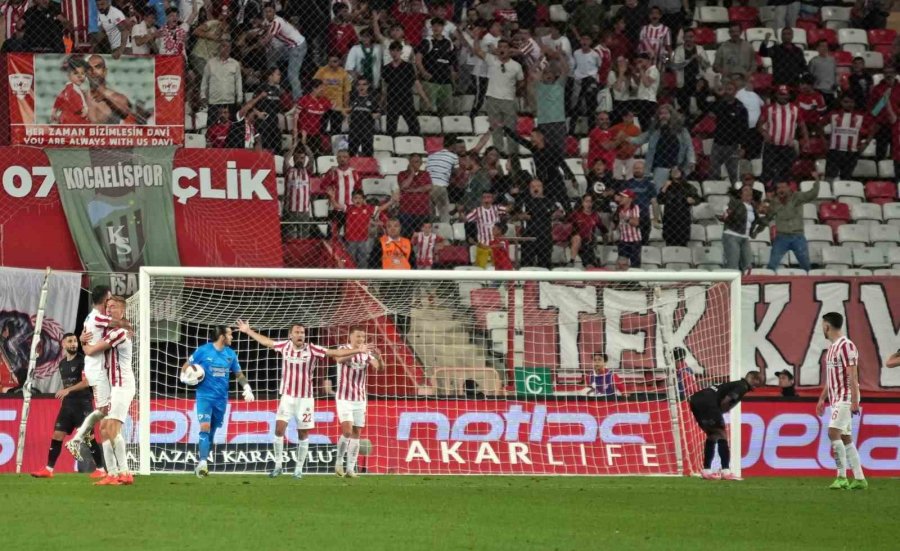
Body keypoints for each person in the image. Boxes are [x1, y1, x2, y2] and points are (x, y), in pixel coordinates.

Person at [235, 320, 369, 478]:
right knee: (279, 429)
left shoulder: (312, 349)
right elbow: (266, 342)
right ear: (290, 335)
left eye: (302, 333)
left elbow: (335, 353)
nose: (300, 335)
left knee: (303, 433)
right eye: (297, 332)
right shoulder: (284, 346)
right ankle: (278, 465)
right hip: (287, 397)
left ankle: (298, 469)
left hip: (305, 399)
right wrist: (248, 331)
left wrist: (356, 351)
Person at [180, 325, 255, 477]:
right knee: (205, 427)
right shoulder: (203, 350)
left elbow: (239, 374)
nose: (232, 337)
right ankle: (202, 463)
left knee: (212, 431)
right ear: (222, 336)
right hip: (204, 396)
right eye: (230, 334)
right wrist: (184, 377)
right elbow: (186, 366)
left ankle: (204, 460)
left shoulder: (231, 354)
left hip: (221, 399)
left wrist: (247, 387)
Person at [31, 333, 106, 479]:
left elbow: (86, 382)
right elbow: (67, 384)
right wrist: (66, 395)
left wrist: (68, 390)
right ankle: (49, 469)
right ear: (63, 344)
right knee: (57, 435)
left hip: (82, 404)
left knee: (88, 437)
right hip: (68, 405)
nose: (73, 344)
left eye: (75, 341)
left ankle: (101, 469)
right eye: (70, 341)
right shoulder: (62, 364)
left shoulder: (83, 360)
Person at [80, 296, 133, 486]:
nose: (108, 310)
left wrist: (84, 344)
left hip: (122, 384)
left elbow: (91, 351)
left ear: (122, 311)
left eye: (113, 307)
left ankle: (124, 472)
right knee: (103, 428)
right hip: (113, 385)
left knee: (110, 428)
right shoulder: (113, 331)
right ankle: (111, 473)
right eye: (107, 307)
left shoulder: (118, 333)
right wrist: (81, 337)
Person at [66, 286, 123, 460]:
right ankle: (76, 439)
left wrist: (82, 341)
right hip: (96, 369)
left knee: (105, 411)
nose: (111, 303)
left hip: (97, 367)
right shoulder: (98, 317)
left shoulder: (92, 317)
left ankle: (77, 439)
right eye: (110, 299)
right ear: (105, 299)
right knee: (103, 410)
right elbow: (118, 323)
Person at [816, 312, 867, 490]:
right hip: (836, 397)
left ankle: (842, 476)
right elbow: (832, 378)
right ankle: (860, 479)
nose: (822, 328)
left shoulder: (847, 346)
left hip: (846, 397)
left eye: (823, 325)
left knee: (833, 432)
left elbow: (852, 374)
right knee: (846, 437)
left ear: (827, 326)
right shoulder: (832, 348)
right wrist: (822, 399)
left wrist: (854, 401)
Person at [689, 370, 763, 480]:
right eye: (759, 380)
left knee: (712, 435)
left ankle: (706, 470)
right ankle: (725, 471)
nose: (760, 383)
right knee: (722, 434)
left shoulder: (735, 384)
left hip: (695, 400)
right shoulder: (742, 386)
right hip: (708, 402)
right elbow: (726, 401)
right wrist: (719, 412)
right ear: (752, 378)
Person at [333, 326, 383, 477]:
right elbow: (339, 358)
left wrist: (379, 357)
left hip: (360, 399)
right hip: (344, 398)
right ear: (350, 337)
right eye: (358, 336)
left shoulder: (366, 354)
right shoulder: (343, 348)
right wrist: (358, 351)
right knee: (347, 431)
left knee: (356, 433)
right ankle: (339, 463)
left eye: (363, 337)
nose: (361, 339)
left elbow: (379, 368)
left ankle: (350, 469)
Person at [758, 173, 821, 272]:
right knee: (772, 264)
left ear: (788, 187)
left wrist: (817, 180)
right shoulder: (774, 202)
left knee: (806, 265)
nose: (781, 190)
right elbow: (768, 217)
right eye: (779, 188)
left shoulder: (797, 197)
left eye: (783, 187)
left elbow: (813, 194)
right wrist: (757, 229)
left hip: (798, 236)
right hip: (781, 237)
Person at [471, 38, 524, 157]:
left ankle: (513, 155)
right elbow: (477, 50)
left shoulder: (516, 66)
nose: (502, 49)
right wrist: (476, 37)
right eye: (500, 47)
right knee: (495, 129)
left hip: (509, 100)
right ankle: (499, 152)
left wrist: (513, 91)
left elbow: (521, 82)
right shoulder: (491, 59)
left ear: (509, 50)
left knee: (511, 129)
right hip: (492, 98)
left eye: (505, 47)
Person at [503, 126, 575, 208]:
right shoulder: (534, 148)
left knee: (565, 202)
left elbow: (562, 164)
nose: (531, 139)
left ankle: (570, 216)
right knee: (544, 205)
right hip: (542, 183)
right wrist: (505, 128)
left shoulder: (552, 149)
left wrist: (572, 178)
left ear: (540, 136)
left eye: (532, 136)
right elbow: (519, 139)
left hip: (555, 182)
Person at [629, 104, 694, 191]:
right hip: (660, 167)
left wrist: (691, 160)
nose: (663, 116)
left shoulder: (681, 130)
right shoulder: (654, 130)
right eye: (661, 114)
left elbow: (689, 146)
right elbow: (639, 140)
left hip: (677, 167)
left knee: (677, 192)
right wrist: (625, 138)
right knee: (658, 192)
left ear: (671, 115)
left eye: (666, 113)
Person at [758, 85, 809, 190]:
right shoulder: (769, 109)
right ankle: (768, 193)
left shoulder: (795, 109)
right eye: (780, 94)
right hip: (771, 147)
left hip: (787, 147)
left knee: (787, 172)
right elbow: (759, 125)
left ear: (789, 96)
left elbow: (802, 125)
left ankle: (784, 194)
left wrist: (806, 140)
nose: (782, 97)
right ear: (776, 95)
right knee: (768, 171)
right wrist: (764, 133)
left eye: (785, 95)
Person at [381, 40, 429, 136]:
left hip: (406, 99)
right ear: (390, 52)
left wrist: (425, 98)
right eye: (393, 50)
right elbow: (385, 86)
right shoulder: (386, 68)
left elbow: (416, 82)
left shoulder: (408, 67)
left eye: (397, 50)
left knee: (414, 127)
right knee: (391, 128)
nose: (395, 53)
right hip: (392, 100)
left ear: (401, 52)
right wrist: (382, 101)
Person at [261, 3, 306, 101]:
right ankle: (274, 79)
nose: (268, 14)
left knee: (292, 74)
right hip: (289, 47)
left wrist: (260, 43)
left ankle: (298, 100)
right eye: (266, 12)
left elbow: (267, 38)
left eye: (270, 11)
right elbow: (264, 28)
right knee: (271, 57)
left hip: (297, 46)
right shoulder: (268, 21)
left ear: (274, 12)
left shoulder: (277, 21)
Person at [515, 179, 564, 268]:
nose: (535, 188)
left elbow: (561, 212)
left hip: (545, 236)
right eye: (533, 187)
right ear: (529, 189)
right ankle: (528, 281)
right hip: (529, 237)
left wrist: (557, 214)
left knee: (544, 265)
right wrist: (521, 216)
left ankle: (544, 281)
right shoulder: (524, 201)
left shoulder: (550, 201)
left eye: (538, 186)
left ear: (542, 188)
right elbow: (514, 215)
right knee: (527, 265)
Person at [708, 80, 748, 184]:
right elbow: (710, 111)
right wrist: (717, 96)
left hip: (733, 145)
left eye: (730, 89)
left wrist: (743, 146)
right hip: (718, 143)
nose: (727, 92)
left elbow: (744, 128)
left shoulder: (740, 108)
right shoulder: (720, 104)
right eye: (726, 89)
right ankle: (714, 192)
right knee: (713, 171)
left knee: (733, 174)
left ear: (735, 92)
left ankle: (735, 193)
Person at [415, 18, 455, 116]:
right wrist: (423, 72)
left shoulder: (448, 43)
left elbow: (451, 61)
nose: (436, 28)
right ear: (431, 27)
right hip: (431, 80)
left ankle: (443, 130)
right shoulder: (427, 41)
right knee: (428, 109)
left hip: (445, 80)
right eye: (434, 26)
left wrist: (453, 76)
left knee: (446, 110)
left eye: (439, 25)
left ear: (443, 27)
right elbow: (417, 59)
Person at [825, 95, 870, 181]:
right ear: (841, 103)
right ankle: (827, 192)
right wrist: (824, 141)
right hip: (834, 151)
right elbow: (819, 125)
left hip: (852, 152)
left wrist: (866, 143)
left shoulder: (861, 116)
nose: (849, 104)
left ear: (854, 103)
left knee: (846, 178)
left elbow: (874, 127)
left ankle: (843, 193)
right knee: (829, 177)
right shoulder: (833, 114)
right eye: (846, 102)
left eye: (851, 102)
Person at [344, 189, 391, 269]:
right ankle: (351, 277)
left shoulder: (369, 209)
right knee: (350, 259)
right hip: (351, 239)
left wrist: (392, 201)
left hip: (364, 239)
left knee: (363, 259)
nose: (358, 200)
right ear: (352, 200)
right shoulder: (349, 208)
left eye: (360, 198)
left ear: (363, 200)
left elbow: (381, 211)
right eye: (355, 198)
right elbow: (338, 206)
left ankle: (363, 277)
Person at [86, 54, 136, 124]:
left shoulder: (118, 98)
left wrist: (106, 99)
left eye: (97, 67)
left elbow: (126, 115)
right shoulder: (79, 96)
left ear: (105, 71)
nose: (93, 71)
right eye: (89, 68)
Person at [670, 29, 711, 115]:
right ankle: (687, 114)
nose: (689, 39)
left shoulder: (700, 49)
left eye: (691, 37)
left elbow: (706, 66)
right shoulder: (679, 50)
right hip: (683, 80)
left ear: (694, 37)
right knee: (682, 95)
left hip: (698, 79)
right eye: (686, 37)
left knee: (703, 86)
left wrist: (701, 60)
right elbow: (675, 66)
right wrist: (690, 59)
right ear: (683, 38)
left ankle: (701, 112)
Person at [201, 40, 242, 120]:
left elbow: (238, 82)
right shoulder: (210, 63)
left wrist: (239, 98)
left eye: (228, 47)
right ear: (219, 48)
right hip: (214, 101)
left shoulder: (235, 64)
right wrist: (203, 95)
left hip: (229, 101)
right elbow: (204, 81)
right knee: (213, 127)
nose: (226, 49)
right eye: (224, 46)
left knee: (229, 127)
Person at [720, 184, 757, 272]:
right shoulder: (735, 203)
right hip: (732, 236)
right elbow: (726, 212)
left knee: (748, 265)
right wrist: (727, 214)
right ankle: (729, 284)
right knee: (732, 265)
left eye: (750, 190)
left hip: (745, 237)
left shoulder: (752, 207)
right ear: (740, 194)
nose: (749, 192)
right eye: (746, 190)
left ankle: (746, 284)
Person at [323, 149, 361, 235]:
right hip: (335, 209)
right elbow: (323, 186)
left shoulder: (354, 173)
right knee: (332, 234)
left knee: (350, 234)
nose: (342, 159)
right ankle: (331, 247)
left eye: (344, 157)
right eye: (339, 157)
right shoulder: (332, 172)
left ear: (349, 159)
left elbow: (359, 190)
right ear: (336, 159)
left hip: (350, 209)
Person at [657, 167, 698, 247]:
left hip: (683, 219)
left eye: (677, 170)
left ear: (681, 172)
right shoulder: (667, 186)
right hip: (669, 219)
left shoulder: (688, 186)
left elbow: (698, 198)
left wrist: (693, 200)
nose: (675, 172)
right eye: (673, 171)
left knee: (683, 245)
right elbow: (659, 200)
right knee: (669, 245)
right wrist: (665, 187)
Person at [623, 160, 661, 245]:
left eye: (640, 168)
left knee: (644, 242)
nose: (637, 170)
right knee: (630, 242)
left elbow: (654, 202)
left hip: (644, 217)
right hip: (630, 217)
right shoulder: (627, 184)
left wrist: (656, 218)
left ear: (644, 170)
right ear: (632, 170)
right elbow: (622, 201)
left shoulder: (650, 185)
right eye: (635, 168)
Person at [465, 191, 507, 268]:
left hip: (496, 245)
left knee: (497, 268)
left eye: (488, 197)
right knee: (481, 269)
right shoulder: (477, 211)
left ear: (492, 199)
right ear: (481, 200)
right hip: (483, 245)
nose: (486, 200)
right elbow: (466, 219)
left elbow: (508, 209)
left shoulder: (497, 208)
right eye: (484, 197)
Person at [314, 55, 353, 136]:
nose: (332, 64)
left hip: (337, 106)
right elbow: (314, 86)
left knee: (336, 131)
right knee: (320, 129)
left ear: (339, 62)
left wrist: (345, 107)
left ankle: (335, 147)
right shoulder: (322, 71)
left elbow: (346, 92)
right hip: (323, 104)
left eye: (335, 61)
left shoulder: (343, 73)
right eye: (330, 61)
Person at [570, 34, 602, 134]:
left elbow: (599, 66)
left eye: (587, 39)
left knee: (590, 106)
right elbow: (574, 65)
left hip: (590, 80)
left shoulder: (595, 55)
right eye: (583, 39)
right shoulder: (576, 53)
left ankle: (591, 132)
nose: (584, 41)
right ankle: (571, 131)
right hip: (579, 80)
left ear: (591, 42)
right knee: (575, 105)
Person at [427, 138, 462, 223]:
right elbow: (458, 173)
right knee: (444, 213)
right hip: (440, 186)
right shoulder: (453, 156)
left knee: (430, 213)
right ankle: (445, 232)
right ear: (453, 145)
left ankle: (431, 230)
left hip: (428, 186)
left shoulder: (432, 155)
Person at [397, 154, 433, 236]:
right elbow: (403, 186)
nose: (414, 164)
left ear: (421, 163)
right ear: (409, 163)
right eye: (412, 162)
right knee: (405, 236)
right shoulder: (402, 174)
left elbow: (429, 187)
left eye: (416, 162)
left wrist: (412, 190)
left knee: (422, 236)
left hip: (422, 211)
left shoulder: (425, 174)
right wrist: (412, 174)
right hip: (406, 211)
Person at [294, 79, 332, 155]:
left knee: (319, 153)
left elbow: (334, 107)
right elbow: (296, 115)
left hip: (316, 132)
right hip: (304, 132)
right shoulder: (304, 99)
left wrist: (346, 110)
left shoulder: (323, 100)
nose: (323, 89)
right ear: (314, 88)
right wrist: (295, 130)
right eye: (321, 87)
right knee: (304, 152)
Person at [568, 194, 607, 267]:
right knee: (577, 238)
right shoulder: (576, 214)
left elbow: (602, 227)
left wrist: (605, 236)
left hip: (588, 243)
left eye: (590, 202)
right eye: (586, 201)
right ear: (582, 202)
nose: (588, 204)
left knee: (591, 265)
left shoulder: (595, 215)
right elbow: (567, 223)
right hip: (576, 240)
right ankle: (571, 261)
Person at [51, 57, 90, 125]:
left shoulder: (71, 88)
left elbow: (59, 99)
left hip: (68, 118)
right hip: (73, 119)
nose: (80, 76)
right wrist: (84, 109)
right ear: (69, 76)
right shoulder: (72, 89)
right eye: (76, 73)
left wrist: (54, 111)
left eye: (83, 73)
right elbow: (76, 103)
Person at [346, 77, 379, 157]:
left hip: (367, 131)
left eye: (364, 84)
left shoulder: (372, 99)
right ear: (356, 87)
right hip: (354, 131)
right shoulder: (352, 98)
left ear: (368, 86)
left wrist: (376, 115)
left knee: (367, 154)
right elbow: (347, 111)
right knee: (351, 154)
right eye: (359, 85)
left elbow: (377, 113)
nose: (361, 87)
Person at [630, 53, 659, 131]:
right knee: (642, 123)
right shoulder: (645, 71)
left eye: (640, 61)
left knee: (646, 124)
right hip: (641, 99)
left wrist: (641, 70)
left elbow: (647, 84)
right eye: (637, 62)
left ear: (648, 60)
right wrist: (633, 74)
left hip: (649, 100)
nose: (638, 64)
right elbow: (639, 83)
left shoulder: (654, 70)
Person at [614, 189, 642, 267]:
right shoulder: (619, 209)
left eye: (623, 197)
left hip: (634, 241)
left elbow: (636, 223)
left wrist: (626, 218)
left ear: (630, 198)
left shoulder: (634, 207)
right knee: (622, 262)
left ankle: (634, 279)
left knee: (634, 263)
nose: (621, 198)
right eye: (621, 196)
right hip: (623, 240)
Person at [808, 40, 837, 107]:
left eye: (826, 46)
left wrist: (835, 83)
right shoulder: (813, 61)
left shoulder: (832, 60)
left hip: (830, 91)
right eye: (822, 46)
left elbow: (835, 74)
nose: (824, 48)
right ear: (817, 48)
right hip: (818, 90)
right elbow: (810, 76)